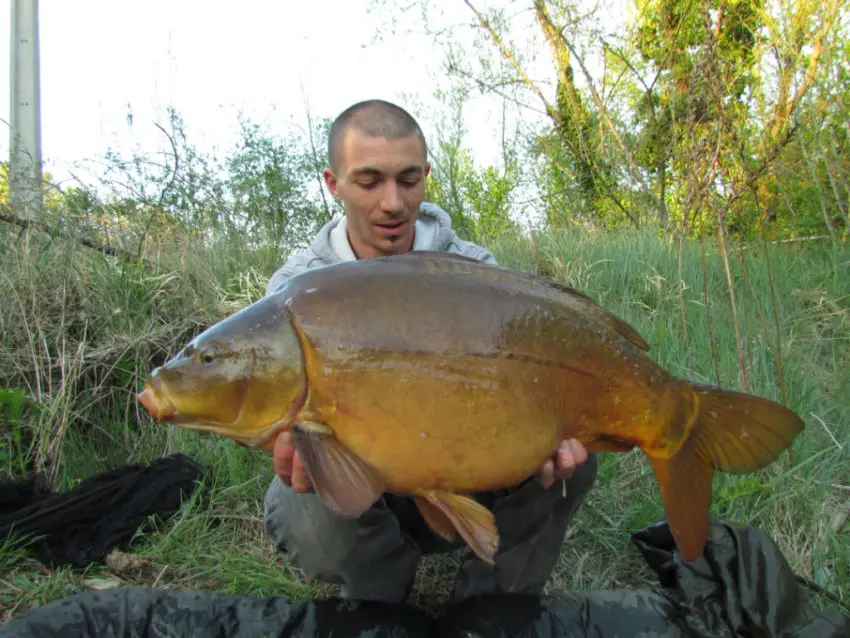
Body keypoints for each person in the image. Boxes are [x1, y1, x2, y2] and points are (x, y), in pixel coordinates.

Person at [262, 99, 598, 604]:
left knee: (576, 460)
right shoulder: (294, 290)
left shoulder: (473, 270)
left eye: (409, 179)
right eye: (370, 181)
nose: (393, 202)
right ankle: (383, 602)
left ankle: (490, 607)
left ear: (426, 176)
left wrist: (544, 434)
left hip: (465, 471)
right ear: (334, 184)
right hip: (363, 487)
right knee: (297, 505)